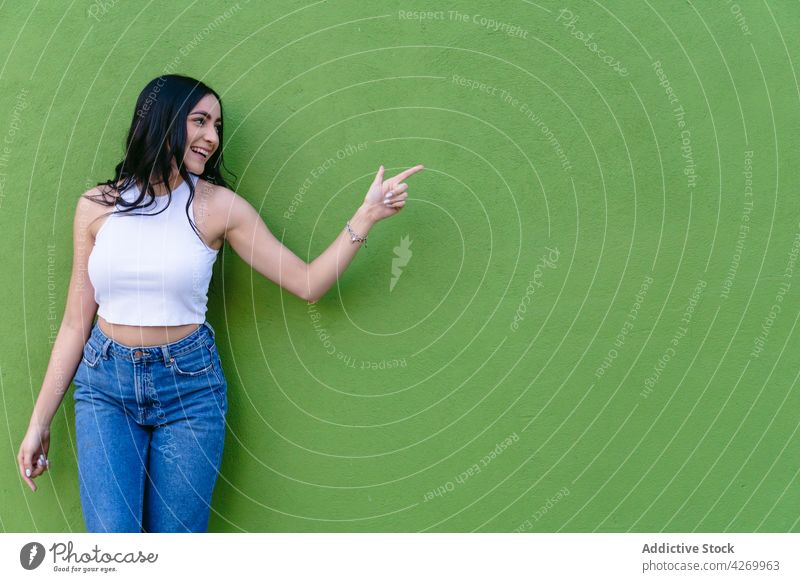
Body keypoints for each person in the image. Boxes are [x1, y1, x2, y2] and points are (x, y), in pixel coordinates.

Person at [16, 74, 424, 532]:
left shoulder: (220, 208)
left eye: (217, 126)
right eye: (199, 121)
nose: (211, 137)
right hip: (105, 388)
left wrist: (365, 216)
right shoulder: (96, 206)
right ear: (162, 120)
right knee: (112, 549)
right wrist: (39, 421)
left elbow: (308, 282)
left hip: (188, 390)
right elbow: (76, 323)